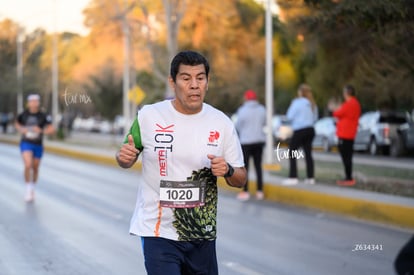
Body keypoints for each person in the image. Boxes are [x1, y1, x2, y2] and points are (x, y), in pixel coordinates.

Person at [116, 51, 247, 275]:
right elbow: (126, 155)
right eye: (186, 78)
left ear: (207, 81)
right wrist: (124, 158)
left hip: (201, 233)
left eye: (200, 78)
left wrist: (228, 170)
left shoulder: (222, 123)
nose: (194, 85)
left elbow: (241, 178)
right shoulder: (149, 116)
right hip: (158, 231)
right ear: (173, 82)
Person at [15, 94, 55, 202]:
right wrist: (21, 129)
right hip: (26, 142)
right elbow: (17, 124)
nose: (33, 103)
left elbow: (52, 130)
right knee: (28, 164)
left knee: (35, 167)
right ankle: (28, 189)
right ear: (28, 103)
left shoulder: (43, 116)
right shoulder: (23, 114)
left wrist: (41, 131)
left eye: (35, 101)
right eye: (31, 101)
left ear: (38, 102)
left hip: (38, 144)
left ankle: (32, 188)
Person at [283, 84, 318, 185]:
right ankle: (310, 177)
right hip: (310, 130)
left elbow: (289, 116)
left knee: (292, 152)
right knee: (308, 154)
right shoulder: (312, 103)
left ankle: (293, 177)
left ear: (300, 92)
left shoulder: (297, 102)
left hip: (300, 130)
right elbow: (315, 118)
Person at [234, 89, 266, 201]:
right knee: (258, 167)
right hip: (259, 141)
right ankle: (260, 191)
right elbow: (265, 122)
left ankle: (245, 191)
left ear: (246, 98)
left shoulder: (242, 110)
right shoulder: (262, 109)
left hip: (246, 142)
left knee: (245, 168)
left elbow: (237, 126)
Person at [332, 84, 361, 186]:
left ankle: (348, 178)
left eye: (344, 92)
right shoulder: (356, 103)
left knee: (346, 156)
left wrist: (334, 108)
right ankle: (348, 177)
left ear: (347, 93)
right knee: (348, 156)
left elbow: (337, 113)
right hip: (351, 133)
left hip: (345, 134)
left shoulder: (349, 104)